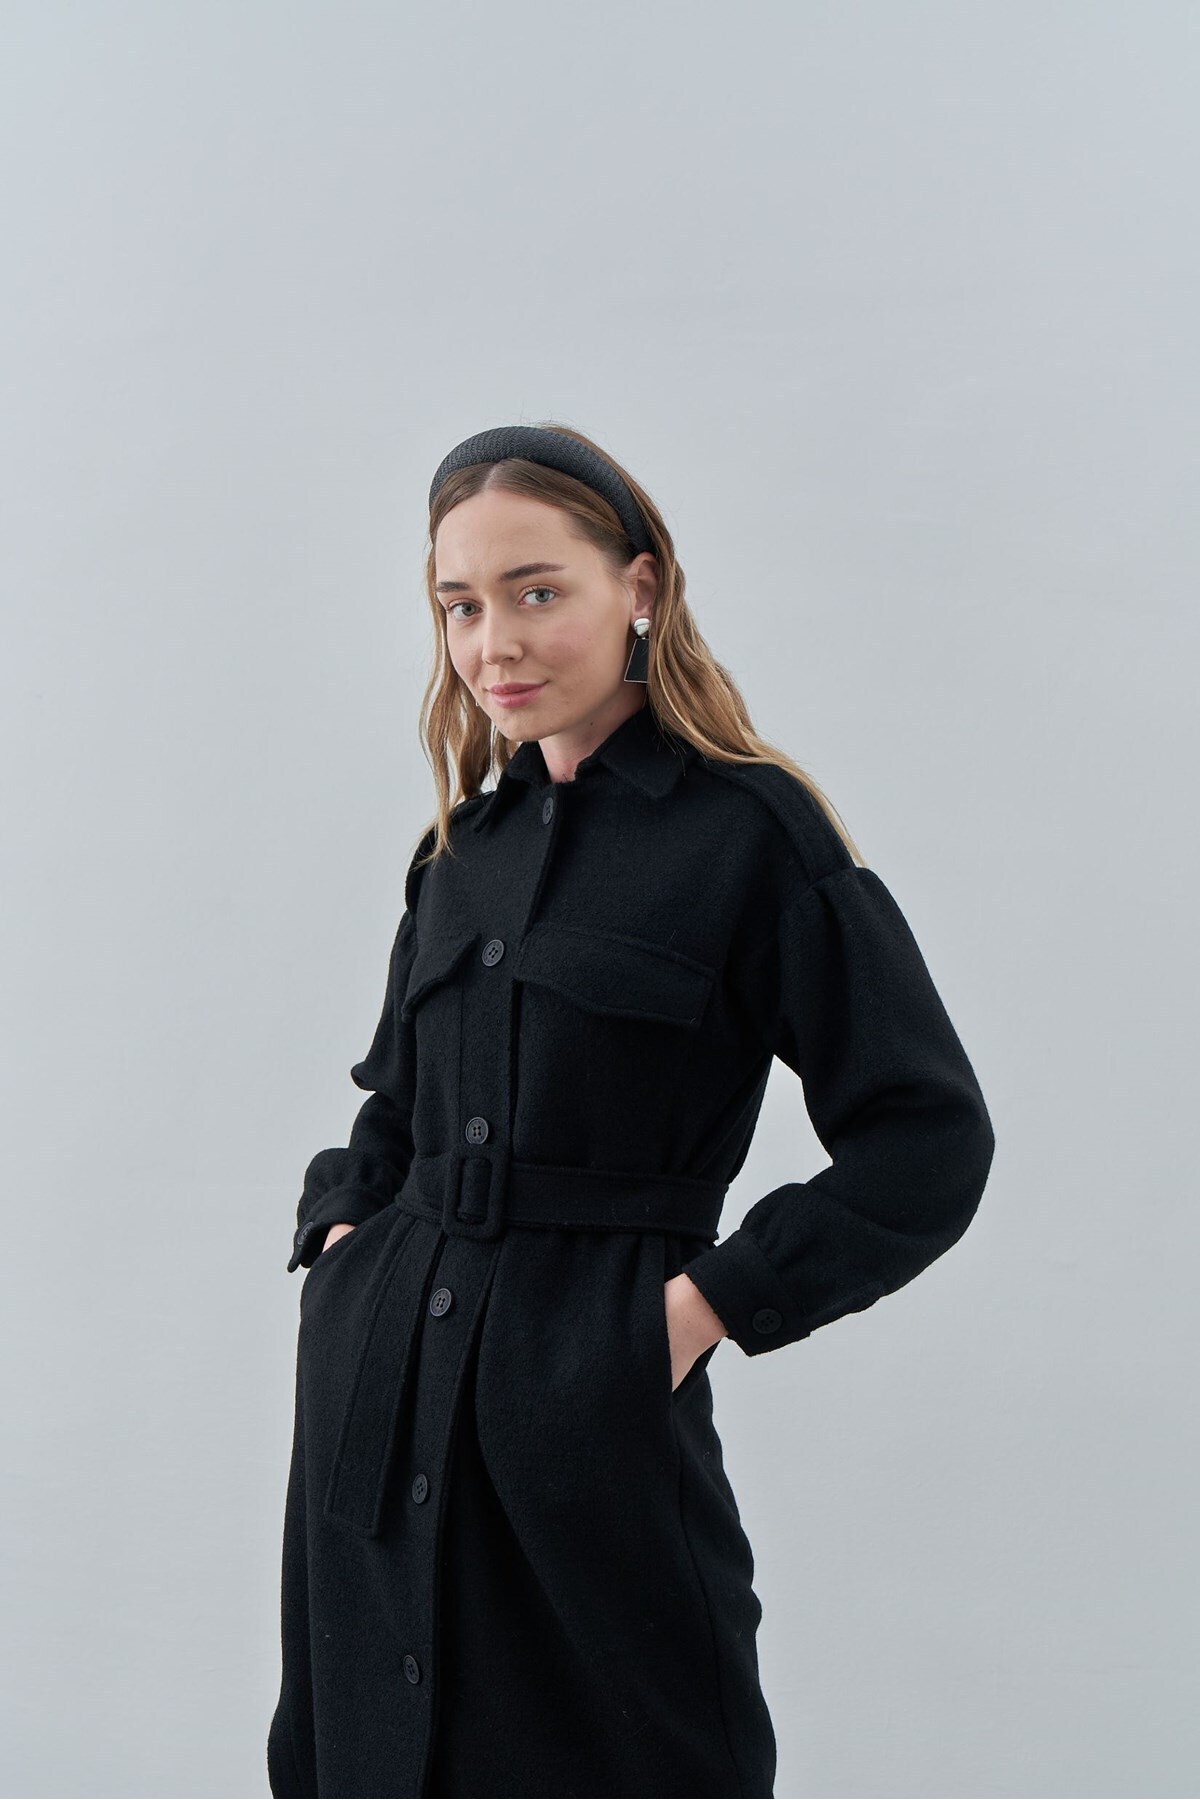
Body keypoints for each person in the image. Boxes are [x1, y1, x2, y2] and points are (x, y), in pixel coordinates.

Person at [266, 421, 996, 1800]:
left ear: (640, 586)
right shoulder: (458, 852)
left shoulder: (751, 833)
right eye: (460, 605)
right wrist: (344, 1248)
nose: (494, 644)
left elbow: (927, 1138)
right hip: (377, 1406)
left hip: (582, 1416)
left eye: (537, 590)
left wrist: (696, 1310)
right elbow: (392, 1111)